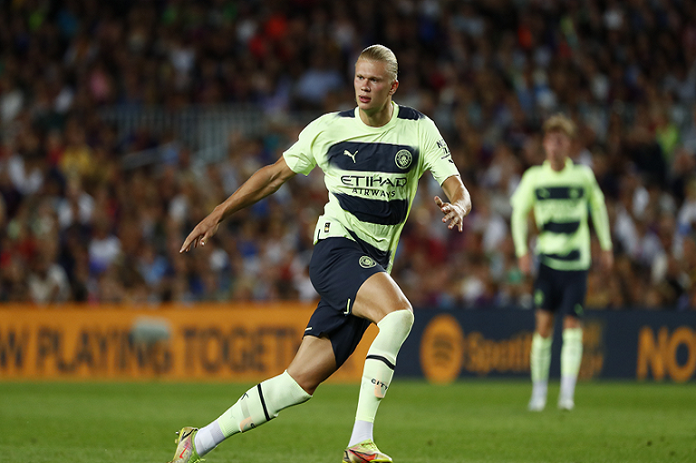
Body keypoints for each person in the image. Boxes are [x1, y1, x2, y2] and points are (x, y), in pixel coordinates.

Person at [167, 44, 471, 463]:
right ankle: (361, 442)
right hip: (336, 249)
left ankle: (196, 442)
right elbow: (273, 175)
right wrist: (218, 213)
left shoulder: (418, 130)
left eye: (375, 80)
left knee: (297, 384)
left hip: (371, 266)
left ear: (393, 87)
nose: (364, 86)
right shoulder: (329, 129)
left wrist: (460, 207)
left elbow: (455, 185)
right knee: (399, 314)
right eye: (360, 77)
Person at [510, 114, 613, 411]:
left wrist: (606, 245)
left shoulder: (582, 176)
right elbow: (518, 214)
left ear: (569, 145)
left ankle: (567, 394)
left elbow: (598, 208)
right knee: (543, 327)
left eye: (561, 140)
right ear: (545, 144)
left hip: (576, 264)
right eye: (552, 140)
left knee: (572, 326)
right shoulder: (534, 178)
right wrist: (522, 251)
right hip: (547, 264)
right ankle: (539, 393)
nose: (556, 145)